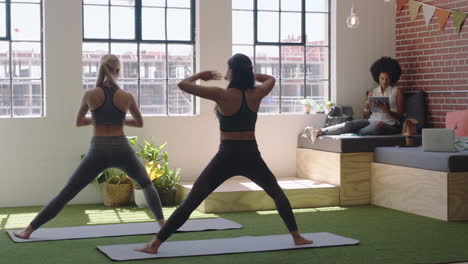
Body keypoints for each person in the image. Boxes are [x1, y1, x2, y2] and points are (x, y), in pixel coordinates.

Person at [136, 53, 312, 254]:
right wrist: (249, 73)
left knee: (193, 200)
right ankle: (297, 237)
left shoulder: (222, 95)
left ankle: (155, 245)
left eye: (229, 69)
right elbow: (271, 79)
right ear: (247, 72)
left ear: (232, 72)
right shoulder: (257, 93)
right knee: (276, 193)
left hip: (227, 156)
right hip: (250, 154)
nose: (226, 72)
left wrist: (200, 75)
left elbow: (183, 85)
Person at [14, 54, 165, 239]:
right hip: (121, 148)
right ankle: (163, 226)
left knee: (67, 192)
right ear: (118, 71)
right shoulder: (126, 96)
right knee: (146, 184)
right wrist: (117, 120)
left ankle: (28, 231)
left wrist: (98, 119)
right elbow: (139, 122)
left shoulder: (90, 94)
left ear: (101, 69)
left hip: (98, 150)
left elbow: (79, 121)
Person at [304, 57, 404, 143]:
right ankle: (317, 132)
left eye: (387, 79)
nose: (384, 81)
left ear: (392, 78)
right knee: (350, 124)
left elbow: (400, 116)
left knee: (378, 125)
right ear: (378, 77)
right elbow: (366, 116)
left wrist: (388, 111)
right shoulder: (372, 92)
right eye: (382, 78)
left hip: (389, 124)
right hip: (372, 121)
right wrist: (366, 106)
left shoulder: (397, 92)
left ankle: (354, 134)